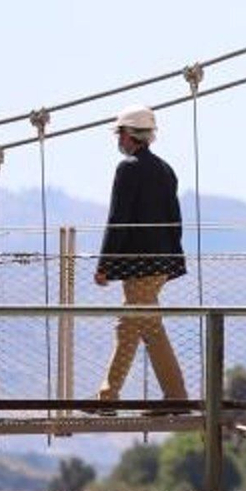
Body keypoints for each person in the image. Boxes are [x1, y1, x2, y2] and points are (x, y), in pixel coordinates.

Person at [94, 105, 188, 408]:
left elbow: (118, 219)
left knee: (138, 325)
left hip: (139, 265)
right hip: (161, 264)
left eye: (119, 133)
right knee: (139, 326)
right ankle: (115, 397)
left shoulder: (128, 168)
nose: (118, 139)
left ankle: (168, 398)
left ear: (129, 134)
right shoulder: (166, 170)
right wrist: (172, 261)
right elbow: (175, 219)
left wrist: (105, 265)